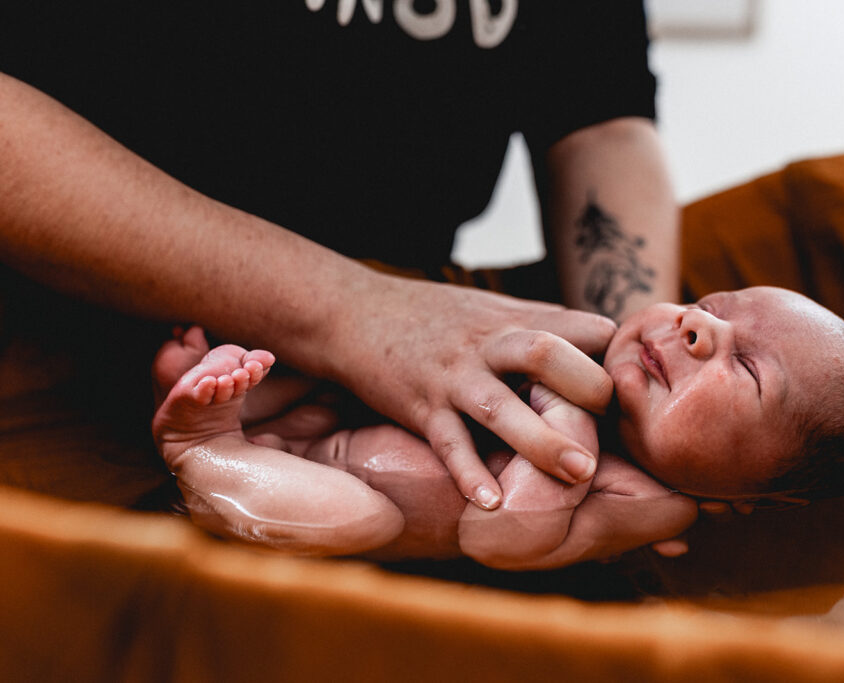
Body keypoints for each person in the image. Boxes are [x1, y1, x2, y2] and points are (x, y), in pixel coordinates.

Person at [0, 2, 678, 531]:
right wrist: (349, 310)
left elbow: (600, 116)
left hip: (391, 361)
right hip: (56, 355)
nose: (698, 328)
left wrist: (624, 400)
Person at [151, 286, 844, 566]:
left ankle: (208, 445)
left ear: (752, 496)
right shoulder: (579, 347)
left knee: (357, 516)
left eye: (747, 369)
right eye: (714, 302)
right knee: (347, 371)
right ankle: (243, 393)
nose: (698, 326)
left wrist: (561, 413)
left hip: (340, 488)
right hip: (343, 424)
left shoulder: (651, 500)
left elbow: (500, 534)